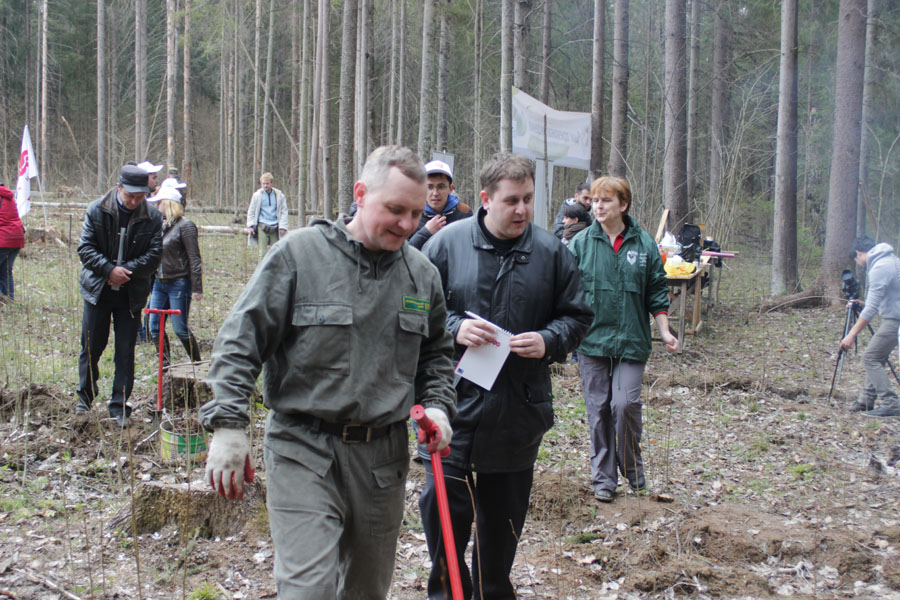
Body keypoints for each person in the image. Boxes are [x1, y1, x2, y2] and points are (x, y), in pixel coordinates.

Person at [199, 146, 457, 598]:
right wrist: (227, 425)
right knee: (308, 590)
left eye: (416, 213)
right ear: (360, 194)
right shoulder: (298, 256)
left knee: (365, 591)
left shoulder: (422, 276)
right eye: (395, 209)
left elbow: (436, 353)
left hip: (382, 461)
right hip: (304, 449)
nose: (407, 224)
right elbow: (242, 339)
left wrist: (437, 406)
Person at [419, 152, 592, 599]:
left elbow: (577, 316)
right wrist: (455, 327)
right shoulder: (445, 245)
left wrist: (549, 341)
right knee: (444, 540)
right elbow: (416, 315)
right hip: (450, 413)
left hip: (518, 414)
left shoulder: (552, 253)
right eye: (512, 200)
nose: (522, 210)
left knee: (498, 548)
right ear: (485, 199)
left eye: (529, 199)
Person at [568, 176, 678, 503]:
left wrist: (665, 331)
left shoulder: (644, 244)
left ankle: (632, 470)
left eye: (606, 201)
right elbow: (566, 292)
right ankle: (603, 479)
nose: (599, 206)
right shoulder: (581, 244)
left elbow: (657, 292)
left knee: (625, 404)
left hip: (631, 342)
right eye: (595, 201)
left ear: (623, 205)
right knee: (599, 410)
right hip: (592, 343)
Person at [75, 164, 163, 426]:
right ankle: (84, 399)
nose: (135, 201)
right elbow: (85, 248)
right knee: (91, 347)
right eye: (130, 196)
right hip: (98, 291)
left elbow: (154, 255)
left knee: (125, 350)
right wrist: (108, 270)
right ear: (119, 188)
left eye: (140, 196)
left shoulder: (154, 217)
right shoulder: (97, 210)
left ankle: (119, 405)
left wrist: (127, 271)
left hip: (131, 295)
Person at [840, 236, 900, 417]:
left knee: (870, 358)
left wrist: (851, 335)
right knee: (877, 356)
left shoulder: (879, 268)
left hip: (895, 320)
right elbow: (886, 298)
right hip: (894, 316)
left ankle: (891, 403)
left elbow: (872, 309)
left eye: (857, 261)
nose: (859, 265)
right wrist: (862, 303)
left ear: (859, 253)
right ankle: (866, 401)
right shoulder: (891, 260)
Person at [146, 186, 203, 364]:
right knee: (154, 326)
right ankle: (165, 365)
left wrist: (197, 287)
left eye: (159, 203)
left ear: (168, 204)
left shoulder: (186, 226)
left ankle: (197, 363)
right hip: (159, 283)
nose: (156, 206)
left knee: (180, 329)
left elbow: (194, 258)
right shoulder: (160, 226)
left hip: (179, 282)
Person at [408, 160, 471, 249]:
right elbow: (403, 253)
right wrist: (425, 233)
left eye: (441, 187)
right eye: (429, 187)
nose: (435, 193)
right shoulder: (412, 214)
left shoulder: (464, 212)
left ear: (451, 188)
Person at [246, 172, 289, 259]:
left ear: (271, 183)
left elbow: (284, 211)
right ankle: (262, 271)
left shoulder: (279, 196)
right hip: (262, 226)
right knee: (262, 253)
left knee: (276, 252)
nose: (265, 186)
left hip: (275, 227)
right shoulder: (257, 196)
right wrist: (250, 225)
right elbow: (251, 211)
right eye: (263, 183)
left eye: (267, 183)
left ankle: (276, 272)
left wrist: (283, 226)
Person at [0, 184, 24, 300]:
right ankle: (8, 299)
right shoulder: (7, 196)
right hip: (17, 237)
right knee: (6, 271)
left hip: (3, 239)